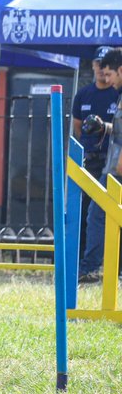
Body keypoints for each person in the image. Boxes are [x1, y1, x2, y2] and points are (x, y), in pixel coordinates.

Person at [78, 46, 122, 283]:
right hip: (113, 169)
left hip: (117, 171)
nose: (108, 80)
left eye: (110, 74)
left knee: (96, 215)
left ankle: (91, 268)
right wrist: (105, 126)